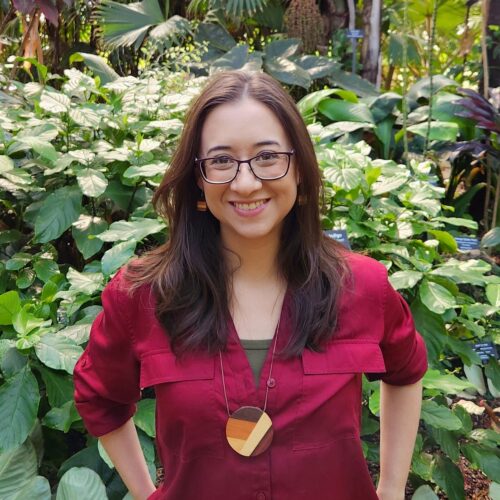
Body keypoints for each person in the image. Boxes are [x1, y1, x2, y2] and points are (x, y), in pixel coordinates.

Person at [73, 70, 428, 500]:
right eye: (222, 161)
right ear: (198, 177)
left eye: (268, 156)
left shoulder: (362, 286)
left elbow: (406, 371)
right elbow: (100, 398)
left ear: (299, 168)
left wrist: (391, 490)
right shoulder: (143, 295)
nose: (245, 183)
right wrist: (149, 494)